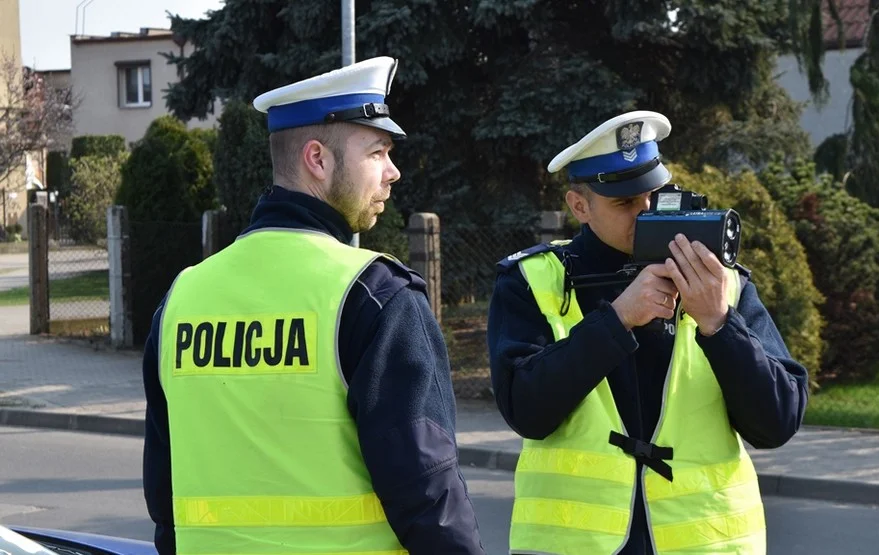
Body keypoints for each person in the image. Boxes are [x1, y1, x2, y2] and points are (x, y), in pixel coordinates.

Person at [141, 56, 486, 555]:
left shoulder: (182, 298)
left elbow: (165, 504)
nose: (394, 171)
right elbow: (430, 500)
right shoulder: (375, 295)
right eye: (377, 151)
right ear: (317, 159)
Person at [487, 111, 810, 555]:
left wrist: (719, 324)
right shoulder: (531, 280)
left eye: (653, 196)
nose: (644, 212)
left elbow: (778, 423)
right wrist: (617, 319)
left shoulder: (722, 282)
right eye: (624, 203)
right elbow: (526, 410)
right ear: (580, 206)